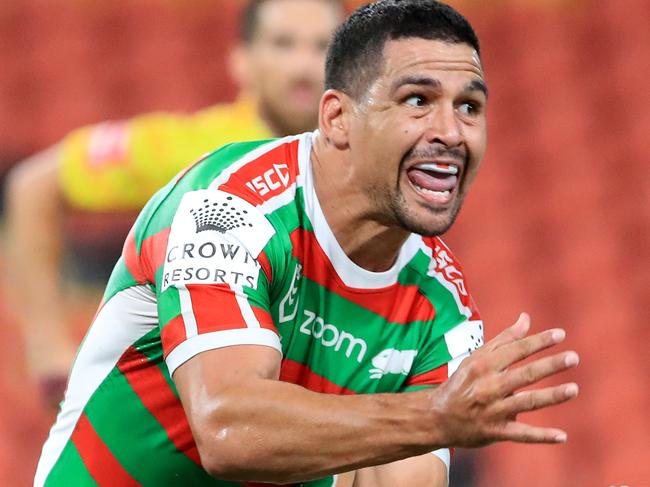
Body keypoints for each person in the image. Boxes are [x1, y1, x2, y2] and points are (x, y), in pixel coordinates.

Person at [35, 1, 580, 486]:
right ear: (338, 118)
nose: (453, 132)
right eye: (418, 100)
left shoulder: (444, 309)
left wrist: (429, 423)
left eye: (470, 107)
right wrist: (435, 416)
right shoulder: (228, 210)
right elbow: (229, 430)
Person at [4, 0, 344, 407]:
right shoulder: (192, 148)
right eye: (283, 45)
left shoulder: (368, 160)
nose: (303, 67)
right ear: (241, 61)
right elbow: (34, 184)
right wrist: (48, 351)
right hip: (201, 407)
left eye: (322, 46)